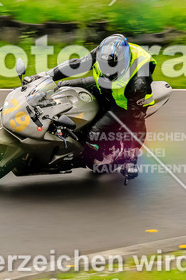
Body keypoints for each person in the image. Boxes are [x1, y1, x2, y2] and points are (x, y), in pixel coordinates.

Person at [25, 34, 156, 182]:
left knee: (93, 134)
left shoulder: (139, 82)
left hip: (124, 103)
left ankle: (96, 156)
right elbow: (77, 65)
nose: (109, 72)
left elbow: (136, 119)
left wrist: (131, 158)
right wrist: (47, 75)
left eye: (113, 70)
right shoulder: (103, 52)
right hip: (103, 85)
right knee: (59, 87)